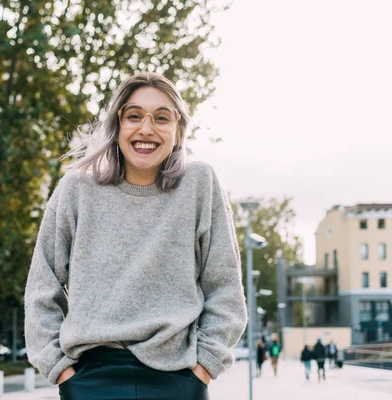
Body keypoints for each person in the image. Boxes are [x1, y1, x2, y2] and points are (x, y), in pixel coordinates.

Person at [24, 72, 248, 400]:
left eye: (161, 118)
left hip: (178, 380)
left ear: (179, 130)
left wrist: (204, 367)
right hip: (90, 378)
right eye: (133, 116)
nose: (146, 129)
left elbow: (225, 287)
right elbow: (42, 287)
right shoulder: (76, 189)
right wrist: (62, 373)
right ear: (117, 126)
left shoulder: (199, 184)